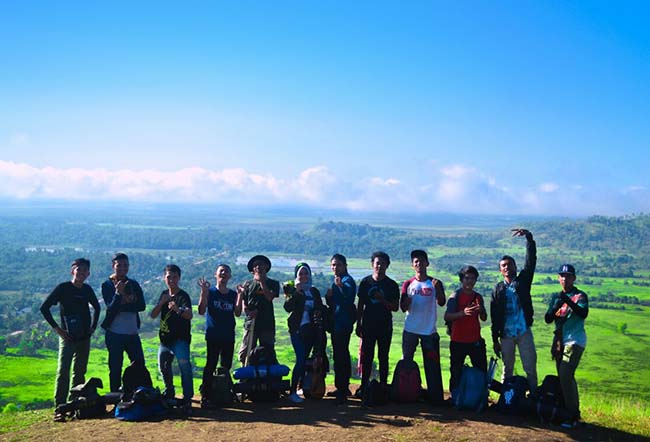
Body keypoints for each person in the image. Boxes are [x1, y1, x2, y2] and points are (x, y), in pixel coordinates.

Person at [40, 258, 100, 420]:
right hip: (67, 337)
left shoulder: (87, 290)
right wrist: (58, 330)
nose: (81, 273)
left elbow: (97, 307)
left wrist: (92, 328)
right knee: (63, 372)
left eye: (84, 270)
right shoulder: (63, 288)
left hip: (84, 337)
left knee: (79, 372)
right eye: (78, 269)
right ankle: (60, 408)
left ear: (88, 273)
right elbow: (44, 308)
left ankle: (75, 405)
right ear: (72, 271)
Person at [490, 228, 538, 390]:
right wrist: (494, 339)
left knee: (530, 367)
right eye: (503, 266)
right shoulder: (498, 289)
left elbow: (531, 262)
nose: (506, 267)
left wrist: (529, 239)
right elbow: (495, 316)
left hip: (523, 331)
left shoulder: (523, 281)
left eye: (509, 265)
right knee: (507, 369)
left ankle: (533, 398)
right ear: (500, 270)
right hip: (506, 334)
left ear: (515, 267)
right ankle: (506, 399)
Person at [545, 264, 589, 428]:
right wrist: (556, 305)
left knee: (565, 375)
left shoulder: (580, 296)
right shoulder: (556, 297)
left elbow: (583, 313)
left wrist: (568, 301)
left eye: (568, 276)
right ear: (558, 278)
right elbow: (548, 319)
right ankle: (567, 412)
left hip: (574, 340)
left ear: (574, 278)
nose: (564, 279)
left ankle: (572, 416)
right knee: (565, 378)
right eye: (562, 276)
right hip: (559, 341)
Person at [400, 250, 447, 405]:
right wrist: (408, 300)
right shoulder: (408, 284)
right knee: (406, 363)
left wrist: (438, 289)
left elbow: (441, 302)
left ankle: (436, 398)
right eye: (416, 262)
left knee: (432, 366)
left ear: (427, 263)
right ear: (413, 265)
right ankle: (406, 393)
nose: (419, 264)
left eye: (421, 261)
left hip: (429, 332)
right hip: (410, 330)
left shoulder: (434, 283)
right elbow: (402, 307)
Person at [197, 264, 242, 408]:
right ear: (215, 275)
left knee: (226, 365)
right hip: (213, 335)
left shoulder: (232, 295)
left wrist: (240, 295)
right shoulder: (210, 292)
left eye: (226, 271)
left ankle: (223, 392)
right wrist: (203, 292)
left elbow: (238, 313)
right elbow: (201, 310)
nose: (224, 273)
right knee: (210, 365)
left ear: (229, 276)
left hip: (228, 335)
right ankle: (206, 395)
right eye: (221, 271)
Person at [356, 251, 400, 397]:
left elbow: (395, 307)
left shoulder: (391, 285)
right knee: (366, 356)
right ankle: (364, 386)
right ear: (372, 264)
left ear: (387, 266)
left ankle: (382, 388)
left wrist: (382, 300)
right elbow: (360, 304)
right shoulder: (365, 282)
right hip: (368, 325)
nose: (379, 266)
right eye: (377, 263)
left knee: (383, 357)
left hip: (385, 326)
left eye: (383, 263)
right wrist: (358, 323)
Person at [101, 253, 146, 393]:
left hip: (132, 333)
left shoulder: (133, 284)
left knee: (139, 365)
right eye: (119, 265)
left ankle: (139, 395)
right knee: (115, 368)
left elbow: (141, 306)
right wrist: (119, 294)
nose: (122, 268)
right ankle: (115, 398)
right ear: (113, 266)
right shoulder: (107, 285)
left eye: (125, 265)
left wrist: (123, 303)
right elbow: (111, 307)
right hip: (115, 333)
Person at [151, 264, 193, 412]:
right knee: (163, 367)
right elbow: (153, 314)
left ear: (179, 278)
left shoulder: (183, 296)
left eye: (174, 277)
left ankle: (187, 398)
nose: (171, 280)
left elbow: (189, 315)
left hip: (180, 339)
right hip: (164, 340)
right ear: (164, 278)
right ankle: (170, 393)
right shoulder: (163, 294)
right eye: (169, 277)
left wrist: (178, 309)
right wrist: (162, 302)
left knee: (184, 367)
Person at [284, 262, 325, 403]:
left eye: (306, 273)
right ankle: (292, 391)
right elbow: (287, 308)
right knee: (300, 359)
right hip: (296, 330)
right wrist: (296, 293)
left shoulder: (314, 291)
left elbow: (320, 308)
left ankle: (303, 386)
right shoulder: (292, 289)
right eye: (300, 273)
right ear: (296, 275)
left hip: (310, 330)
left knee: (306, 359)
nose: (303, 276)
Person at [444, 265, 487, 395]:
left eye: (472, 278)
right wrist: (462, 313)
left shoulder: (478, 297)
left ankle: (480, 397)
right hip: (458, 340)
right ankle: (455, 397)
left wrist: (481, 310)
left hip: (475, 340)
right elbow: (447, 316)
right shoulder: (455, 296)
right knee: (456, 371)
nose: (469, 281)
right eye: (467, 278)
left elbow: (484, 318)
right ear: (461, 280)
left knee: (481, 371)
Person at [325, 253, 357, 404]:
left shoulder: (346, 280)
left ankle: (343, 389)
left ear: (345, 265)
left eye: (337, 264)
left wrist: (340, 287)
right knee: (339, 355)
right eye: (333, 265)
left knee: (341, 356)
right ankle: (341, 387)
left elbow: (349, 297)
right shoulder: (338, 280)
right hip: (337, 323)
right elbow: (334, 303)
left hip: (343, 324)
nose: (335, 267)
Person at [237, 255, 280, 365]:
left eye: (261, 264)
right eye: (255, 265)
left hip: (267, 324)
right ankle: (246, 376)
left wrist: (262, 282)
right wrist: (248, 312)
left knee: (268, 352)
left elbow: (269, 297)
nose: (258, 267)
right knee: (245, 353)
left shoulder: (273, 283)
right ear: (252, 270)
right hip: (251, 324)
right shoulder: (248, 284)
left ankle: (267, 378)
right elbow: (244, 303)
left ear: (266, 266)